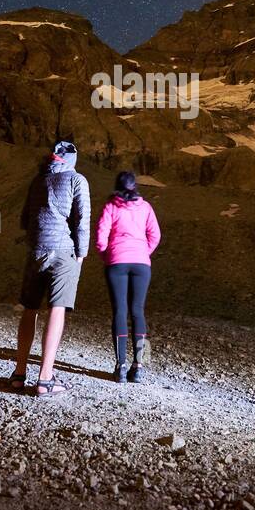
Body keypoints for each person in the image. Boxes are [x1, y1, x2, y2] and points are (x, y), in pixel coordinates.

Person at [12, 140, 90, 396]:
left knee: (29, 309)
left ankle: (19, 373)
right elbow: (81, 221)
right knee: (57, 309)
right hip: (63, 251)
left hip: (36, 251)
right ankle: (45, 378)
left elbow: (25, 218)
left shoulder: (38, 180)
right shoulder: (77, 180)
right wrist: (81, 253)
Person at [95, 171, 161, 383]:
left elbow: (100, 236)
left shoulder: (111, 206)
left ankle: (121, 367)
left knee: (120, 312)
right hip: (142, 263)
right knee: (138, 312)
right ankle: (138, 367)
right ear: (135, 187)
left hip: (117, 262)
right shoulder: (146, 207)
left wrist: (109, 254)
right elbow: (155, 235)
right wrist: (143, 252)